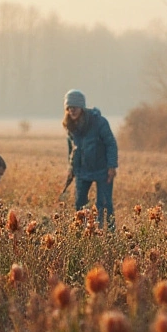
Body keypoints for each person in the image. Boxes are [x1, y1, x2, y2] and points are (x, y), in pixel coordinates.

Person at [63, 89, 118, 228]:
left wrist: (112, 166)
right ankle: (83, 233)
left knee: (104, 204)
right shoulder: (70, 126)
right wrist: (71, 169)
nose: (71, 111)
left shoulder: (99, 122)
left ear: (81, 107)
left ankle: (110, 233)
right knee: (79, 204)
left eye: (74, 107)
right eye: (68, 108)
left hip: (102, 170)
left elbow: (111, 144)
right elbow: (72, 150)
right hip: (82, 171)